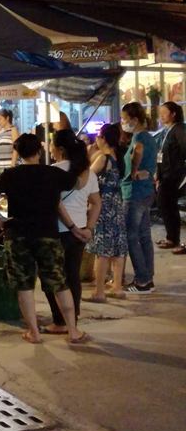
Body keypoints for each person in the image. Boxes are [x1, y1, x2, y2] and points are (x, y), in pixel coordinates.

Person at [0, 134, 88, 344]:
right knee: (59, 283)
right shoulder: (53, 173)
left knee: (24, 286)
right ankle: (73, 331)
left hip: (18, 236)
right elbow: (79, 184)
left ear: (18, 153)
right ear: (39, 151)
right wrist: (84, 159)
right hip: (48, 235)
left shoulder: (10, 174)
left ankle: (34, 332)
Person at [43, 130, 101, 334]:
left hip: (57, 231)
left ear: (59, 149)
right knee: (72, 276)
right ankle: (72, 321)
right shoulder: (87, 172)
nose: (48, 148)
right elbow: (96, 203)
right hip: (80, 234)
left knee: (53, 278)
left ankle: (59, 322)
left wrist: (73, 228)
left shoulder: (52, 171)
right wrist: (88, 228)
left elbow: (56, 204)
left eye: (50, 144)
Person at [86, 123, 129, 302]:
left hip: (103, 206)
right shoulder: (118, 156)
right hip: (116, 204)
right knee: (118, 247)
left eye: (98, 136)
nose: (96, 138)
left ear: (103, 138)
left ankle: (99, 291)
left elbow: (87, 177)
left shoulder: (103, 158)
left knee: (101, 249)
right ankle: (117, 287)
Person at [121, 102, 158, 294]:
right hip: (146, 192)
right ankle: (147, 277)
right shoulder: (150, 137)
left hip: (134, 192)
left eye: (125, 119)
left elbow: (138, 150)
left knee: (131, 236)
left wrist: (134, 170)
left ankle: (142, 280)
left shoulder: (139, 137)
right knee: (144, 235)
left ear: (134, 120)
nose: (123, 123)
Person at [154, 102, 186, 253]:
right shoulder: (167, 131)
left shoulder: (179, 129)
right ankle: (172, 238)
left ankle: (174, 238)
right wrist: (158, 174)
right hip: (166, 175)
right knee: (167, 205)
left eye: (164, 112)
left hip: (175, 176)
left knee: (166, 204)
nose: (161, 115)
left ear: (173, 114)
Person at [0, 109, 20, 179]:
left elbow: (16, 148)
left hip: (9, 165)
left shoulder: (13, 129)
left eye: (0, 119)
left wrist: (12, 165)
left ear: (7, 118)